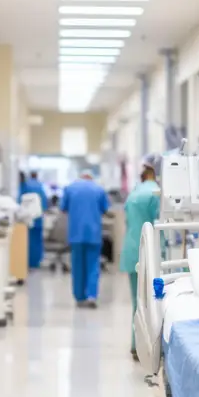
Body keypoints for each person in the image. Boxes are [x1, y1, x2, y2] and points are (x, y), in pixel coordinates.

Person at [119, 154, 162, 360]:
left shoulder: (135, 192)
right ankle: (149, 348)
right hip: (148, 251)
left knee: (137, 300)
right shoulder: (155, 193)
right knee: (152, 301)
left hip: (131, 249)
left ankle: (136, 344)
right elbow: (159, 225)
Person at [61, 170, 110, 308]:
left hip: (76, 233)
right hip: (93, 233)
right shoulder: (99, 190)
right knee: (93, 265)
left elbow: (63, 209)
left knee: (77, 266)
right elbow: (105, 209)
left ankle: (79, 297)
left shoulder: (70, 188)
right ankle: (91, 296)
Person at [18, 170, 48, 269]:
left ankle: (28, 262)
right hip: (38, 219)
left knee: (29, 241)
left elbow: (19, 201)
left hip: (27, 218)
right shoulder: (40, 186)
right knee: (37, 241)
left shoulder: (25, 186)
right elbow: (44, 203)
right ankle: (36, 262)